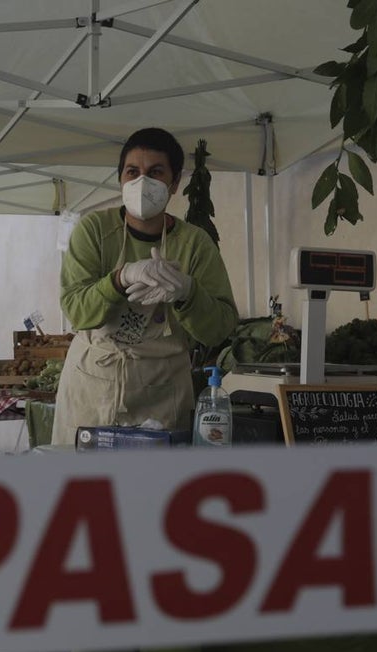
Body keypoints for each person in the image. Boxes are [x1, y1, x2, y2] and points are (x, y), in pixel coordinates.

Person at [51, 127, 239, 445]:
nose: (142, 183)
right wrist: (119, 279)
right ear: (120, 179)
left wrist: (188, 294)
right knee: (86, 488)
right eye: (132, 172)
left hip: (163, 393)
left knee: (154, 490)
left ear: (174, 182)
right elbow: (77, 311)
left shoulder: (195, 244)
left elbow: (220, 328)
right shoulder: (93, 230)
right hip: (94, 388)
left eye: (155, 172)